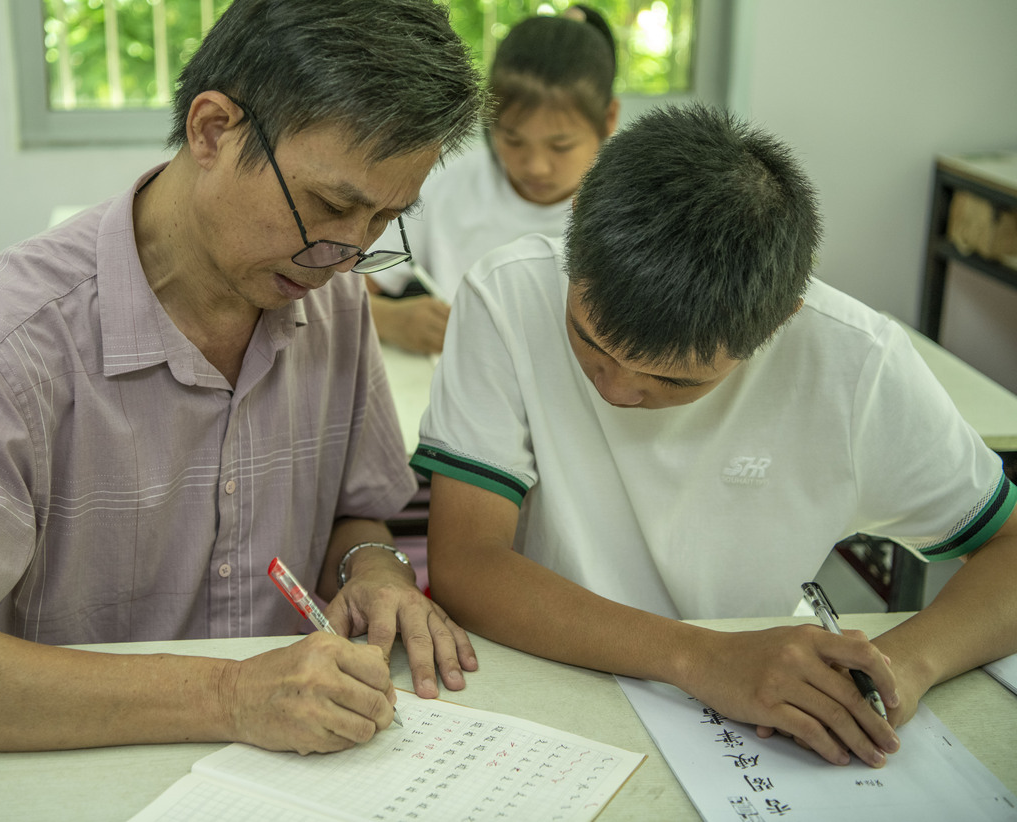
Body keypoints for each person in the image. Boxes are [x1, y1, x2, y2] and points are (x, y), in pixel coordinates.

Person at [0, 0, 484, 756]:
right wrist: (229, 696)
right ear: (212, 130)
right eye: (329, 205)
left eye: (380, 221)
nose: (345, 256)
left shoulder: (330, 301)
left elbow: (357, 514)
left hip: (293, 762)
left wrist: (373, 570)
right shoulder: (17, 338)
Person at [415, 104, 1017, 769]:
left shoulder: (855, 364)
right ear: (575, 230)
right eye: (590, 345)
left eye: (672, 381)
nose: (616, 391)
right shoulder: (507, 295)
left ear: (781, 321)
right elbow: (467, 562)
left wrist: (899, 666)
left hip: (746, 717)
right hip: (546, 680)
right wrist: (700, 657)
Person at [368, 6, 619, 354]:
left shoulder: (629, 206)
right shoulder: (445, 184)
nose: (536, 167)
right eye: (513, 140)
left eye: (560, 146)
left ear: (609, 118)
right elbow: (347, 290)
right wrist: (390, 320)